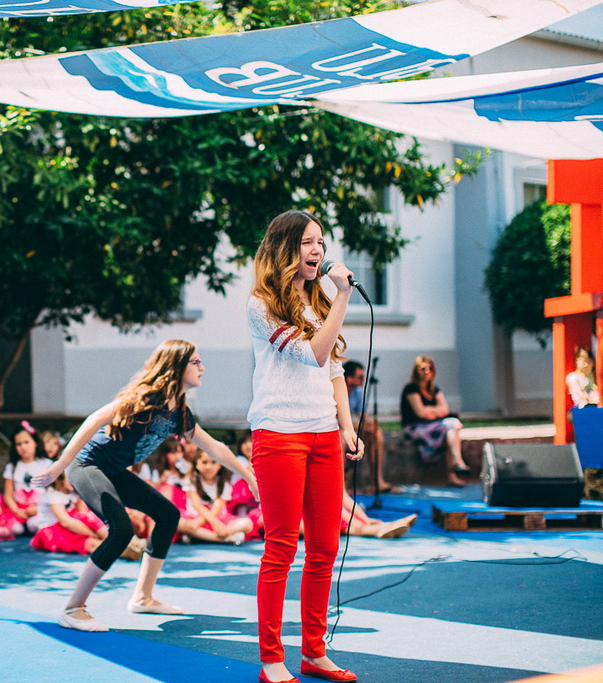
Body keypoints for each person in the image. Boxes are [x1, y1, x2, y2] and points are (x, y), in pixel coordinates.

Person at [33, 339, 257, 633]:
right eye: (196, 362)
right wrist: (61, 464)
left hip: (113, 470)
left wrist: (249, 476)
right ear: (177, 367)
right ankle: (73, 608)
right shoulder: (148, 397)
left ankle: (142, 597)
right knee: (122, 530)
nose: (203, 367)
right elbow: (96, 418)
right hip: (88, 466)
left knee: (168, 515)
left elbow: (215, 447)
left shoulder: (179, 413)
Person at [248, 210, 362, 683]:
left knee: (324, 548)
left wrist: (347, 426)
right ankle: (271, 659)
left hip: (322, 434)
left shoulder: (317, 302)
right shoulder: (262, 304)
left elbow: (334, 370)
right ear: (285, 248)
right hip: (279, 433)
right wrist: (344, 297)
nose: (317, 250)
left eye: (320, 242)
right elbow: (313, 353)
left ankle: (313, 652)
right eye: (306, 243)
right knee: (281, 547)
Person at [400, 355, 469, 487]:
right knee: (451, 427)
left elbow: (445, 410)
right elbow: (420, 413)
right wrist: (435, 411)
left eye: (430, 369)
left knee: (451, 431)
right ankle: (457, 463)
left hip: (433, 426)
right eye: (423, 368)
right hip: (415, 427)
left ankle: (454, 468)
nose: (426, 372)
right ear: (416, 370)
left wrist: (430, 412)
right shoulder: (411, 389)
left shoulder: (434, 389)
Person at [343, 360, 400, 494]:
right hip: (342, 429)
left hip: (354, 428)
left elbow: (363, 415)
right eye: (360, 377)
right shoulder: (337, 390)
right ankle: (342, 485)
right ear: (349, 378)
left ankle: (377, 481)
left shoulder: (357, 392)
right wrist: (358, 425)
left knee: (376, 433)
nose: (363, 380)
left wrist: (369, 425)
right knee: (340, 437)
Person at [30, 470, 109, 556]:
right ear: (60, 478)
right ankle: (110, 542)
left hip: (71, 528)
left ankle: (112, 538)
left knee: (89, 518)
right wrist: (92, 534)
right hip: (54, 531)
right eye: (71, 478)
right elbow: (65, 522)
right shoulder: (52, 494)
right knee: (91, 543)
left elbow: (82, 513)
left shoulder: (73, 493)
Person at [1, 423, 52, 535]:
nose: (23, 447)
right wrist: (16, 511)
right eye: (18, 444)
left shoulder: (46, 464)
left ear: (36, 443)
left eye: (26, 442)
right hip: (18, 508)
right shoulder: (12, 466)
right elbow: (8, 495)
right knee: (15, 529)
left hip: (40, 507)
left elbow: (52, 492)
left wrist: (38, 508)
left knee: (35, 525)